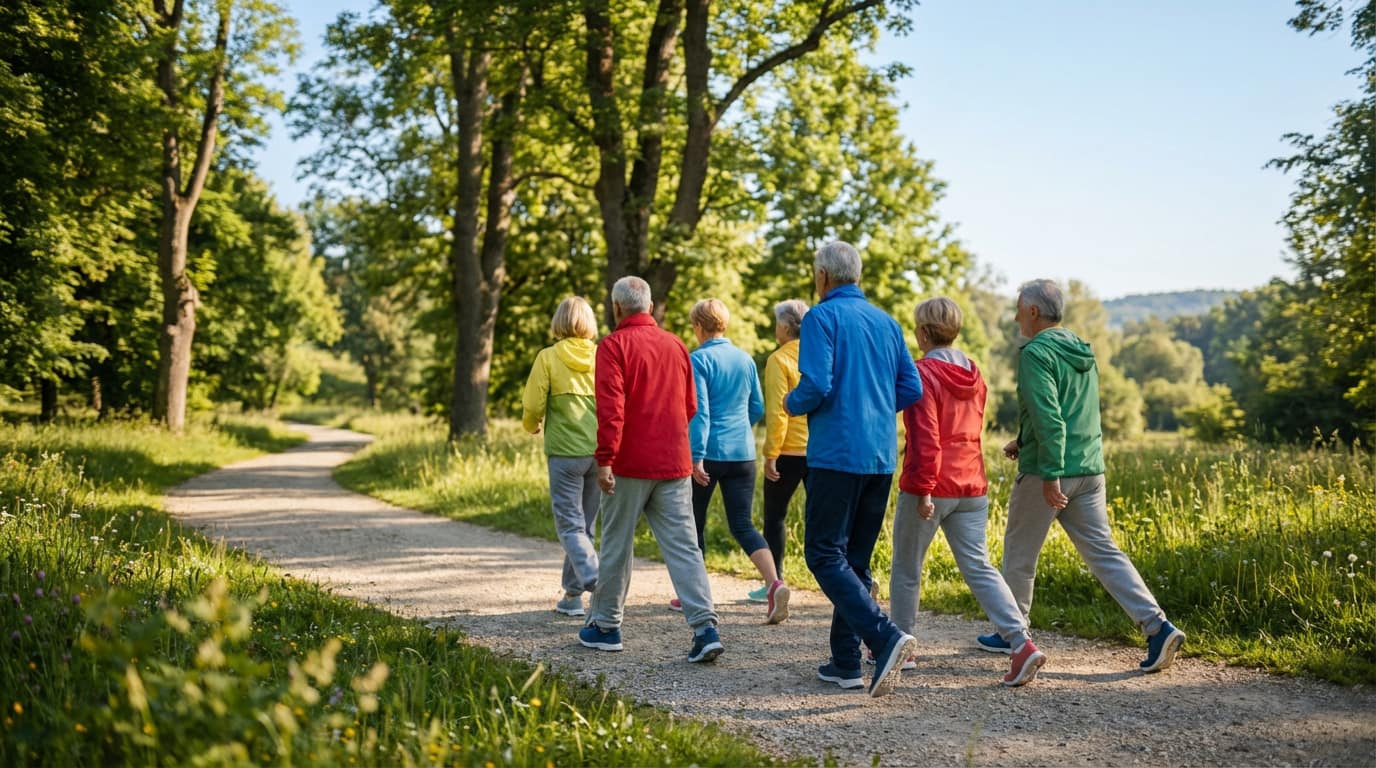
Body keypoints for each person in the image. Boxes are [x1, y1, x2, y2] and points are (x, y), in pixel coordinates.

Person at [976, 278, 1185, 673]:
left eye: (1020, 307)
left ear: (1034, 312)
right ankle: (1158, 627)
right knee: (1104, 552)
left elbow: (1050, 416)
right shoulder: (1079, 349)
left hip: (1048, 472)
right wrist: (1023, 440)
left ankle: (1013, 635)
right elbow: (1068, 410)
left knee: (1020, 557)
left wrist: (1050, 473)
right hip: (1090, 468)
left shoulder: (1036, 353)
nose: (1016, 313)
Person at [784, 241, 922, 698]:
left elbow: (817, 383)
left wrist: (791, 402)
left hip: (836, 453)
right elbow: (911, 386)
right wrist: (877, 406)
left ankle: (882, 638)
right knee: (854, 560)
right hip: (880, 455)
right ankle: (845, 662)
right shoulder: (887, 322)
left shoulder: (820, 318)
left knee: (823, 554)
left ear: (823, 276)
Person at [888, 297, 1045, 687]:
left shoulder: (922, 373)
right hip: (972, 483)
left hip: (931, 484)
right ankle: (1020, 642)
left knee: (907, 569)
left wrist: (923, 489)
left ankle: (900, 647)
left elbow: (925, 437)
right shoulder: (974, 373)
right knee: (979, 567)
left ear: (923, 333)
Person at [578, 276, 724, 663]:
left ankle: (607, 626)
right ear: (649, 304)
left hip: (629, 463)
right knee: (684, 547)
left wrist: (605, 459)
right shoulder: (676, 343)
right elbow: (691, 405)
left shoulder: (612, 346)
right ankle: (705, 627)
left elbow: (612, 409)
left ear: (617, 308)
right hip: (673, 461)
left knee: (616, 544)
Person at [684, 298, 788, 624]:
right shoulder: (744, 360)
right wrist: (740, 426)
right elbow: (757, 407)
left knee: (693, 524)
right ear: (724, 325)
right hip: (743, 453)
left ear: (699, 327)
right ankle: (774, 584)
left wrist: (696, 456)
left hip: (709, 453)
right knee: (742, 524)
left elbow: (699, 413)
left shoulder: (698, 360)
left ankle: (696, 596)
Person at [522, 296, 601, 618]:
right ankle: (571, 596)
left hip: (565, 454)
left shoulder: (548, 357)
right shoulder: (602, 355)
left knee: (570, 526)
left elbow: (533, 403)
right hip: (600, 452)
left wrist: (532, 424)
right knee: (585, 525)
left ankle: (596, 577)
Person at [756, 299, 810, 604]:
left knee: (775, 517)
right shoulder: (821, 355)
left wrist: (770, 452)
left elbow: (778, 411)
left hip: (788, 450)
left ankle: (774, 583)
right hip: (818, 449)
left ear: (786, 327)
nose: (775, 327)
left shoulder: (778, 360)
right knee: (823, 517)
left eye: (777, 323)